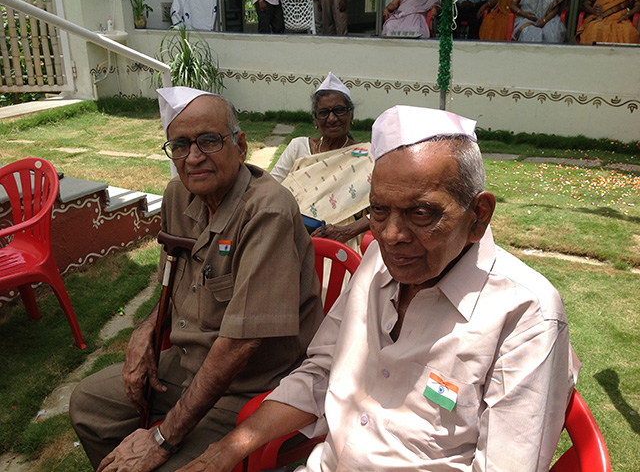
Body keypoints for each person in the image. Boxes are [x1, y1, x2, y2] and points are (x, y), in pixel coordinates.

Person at [176, 105, 581, 472]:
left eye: (420, 213)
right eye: (378, 210)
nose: (391, 235)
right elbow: (321, 374)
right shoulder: (379, 265)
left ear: (478, 215)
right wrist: (225, 450)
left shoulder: (526, 313)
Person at [69, 87, 324, 472]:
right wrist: (144, 331)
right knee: (89, 405)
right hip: (188, 363)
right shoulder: (177, 196)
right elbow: (172, 285)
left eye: (208, 141)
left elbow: (241, 346)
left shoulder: (267, 210)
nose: (193, 157)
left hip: (249, 385)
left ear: (240, 146)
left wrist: (161, 439)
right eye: (180, 145)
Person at [271, 72, 372, 246]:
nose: (332, 118)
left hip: (341, 242)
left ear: (351, 115)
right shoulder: (298, 147)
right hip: (291, 234)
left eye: (339, 111)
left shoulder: (368, 154)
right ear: (315, 120)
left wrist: (346, 231)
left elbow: (386, 208)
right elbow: (269, 190)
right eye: (324, 113)